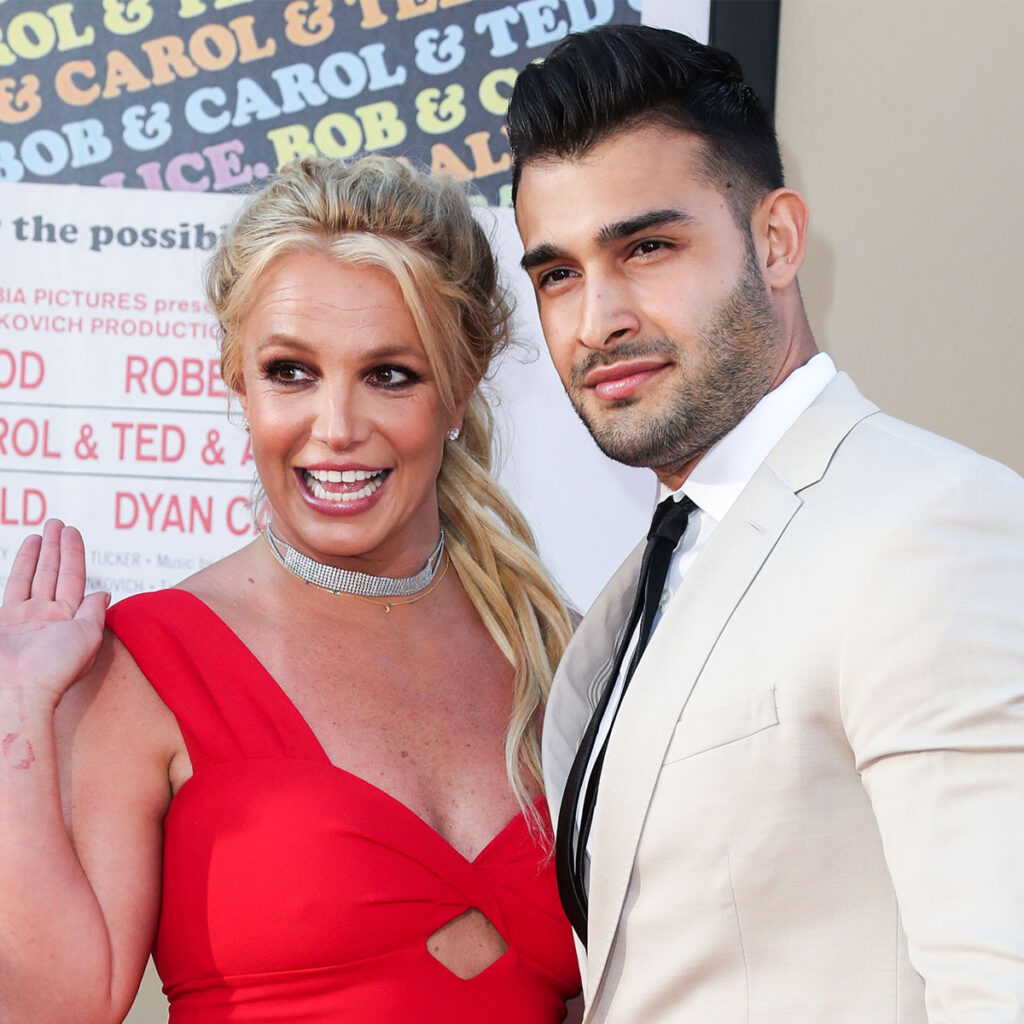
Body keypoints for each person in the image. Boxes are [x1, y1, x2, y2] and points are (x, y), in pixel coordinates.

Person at [506, 23, 1024, 1024]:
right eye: (557, 273)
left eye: (647, 247)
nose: (597, 319)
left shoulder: (931, 529)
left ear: (777, 241)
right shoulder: (636, 590)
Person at [0, 155, 582, 1022]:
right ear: (239, 381)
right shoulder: (148, 662)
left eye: (390, 374)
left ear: (459, 390)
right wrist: (14, 709)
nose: (336, 429)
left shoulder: (558, 652)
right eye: (290, 372)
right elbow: (53, 1006)